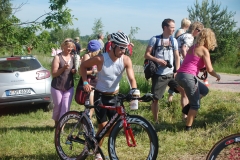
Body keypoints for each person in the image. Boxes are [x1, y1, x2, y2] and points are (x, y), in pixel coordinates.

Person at [80, 31, 138, 160]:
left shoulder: (126, 60)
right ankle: (97, 153)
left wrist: (134, 91)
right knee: (103, 127)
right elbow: (83, 66)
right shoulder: (101, 58)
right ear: (113, 45)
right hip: (100, 96)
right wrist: (85, 82)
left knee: (111, 129)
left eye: (126, 47)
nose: (124, 50)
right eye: (121, 47)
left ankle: (92, 142)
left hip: (115, 97)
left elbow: (132, 79)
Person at [175, 28, 221, 131]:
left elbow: (192, 62)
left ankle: (188, 107)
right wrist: (217, 75)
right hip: (188, 77)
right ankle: (188, 128)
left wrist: (201, 68)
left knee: (204, 90)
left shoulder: (193, 47)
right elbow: (210, 69)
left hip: (180, 75)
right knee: (196, 105)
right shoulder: (204, 50)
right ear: (210, 39)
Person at [144, 18, 180, 124]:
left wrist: (177, 70)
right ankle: (156, 121)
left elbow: (177, 56)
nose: (174, 29)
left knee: (183, 91)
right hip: (159, 75)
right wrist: (157, 60)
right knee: (155, 99)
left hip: (171, 73)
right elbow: (146, 55)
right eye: (172, 27)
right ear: (165, 27)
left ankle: (184, 117)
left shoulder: (174, 40)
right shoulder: (155, 39)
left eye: (174, 27)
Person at [168, 21, 204, 105]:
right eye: (199, 31)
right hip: (180, 60)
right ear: (195, 29)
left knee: (177, 83)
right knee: (185, 89)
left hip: (174, 60)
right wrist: (187, 61)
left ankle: (170, 100)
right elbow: (184, 49)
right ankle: (186, 111)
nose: (199, 33)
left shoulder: (184, 35)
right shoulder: (189, 37)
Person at [51, 38, 76, 128]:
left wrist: (74, 71)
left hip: (69, 86)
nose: (69, 49)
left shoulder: (73, 57)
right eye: (68, 47)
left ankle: (61, 126)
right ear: (63, 46)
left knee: (65, 106)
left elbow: (74, 70)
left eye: (71, 47)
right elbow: (54, 74)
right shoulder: (57, 57)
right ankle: (56, 123)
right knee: (58, 106)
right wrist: (63, 68)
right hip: (57, 86)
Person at [80, 40, 101, 119]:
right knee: (91, 107)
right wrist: (93, 71)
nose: (99, 50)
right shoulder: (87, 56)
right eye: (98, 49)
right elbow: (81, 71)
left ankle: (85, 123)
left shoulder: (96, 57)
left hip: (95, 83)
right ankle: (85, 125)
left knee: (93, 106)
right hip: (89, 83)